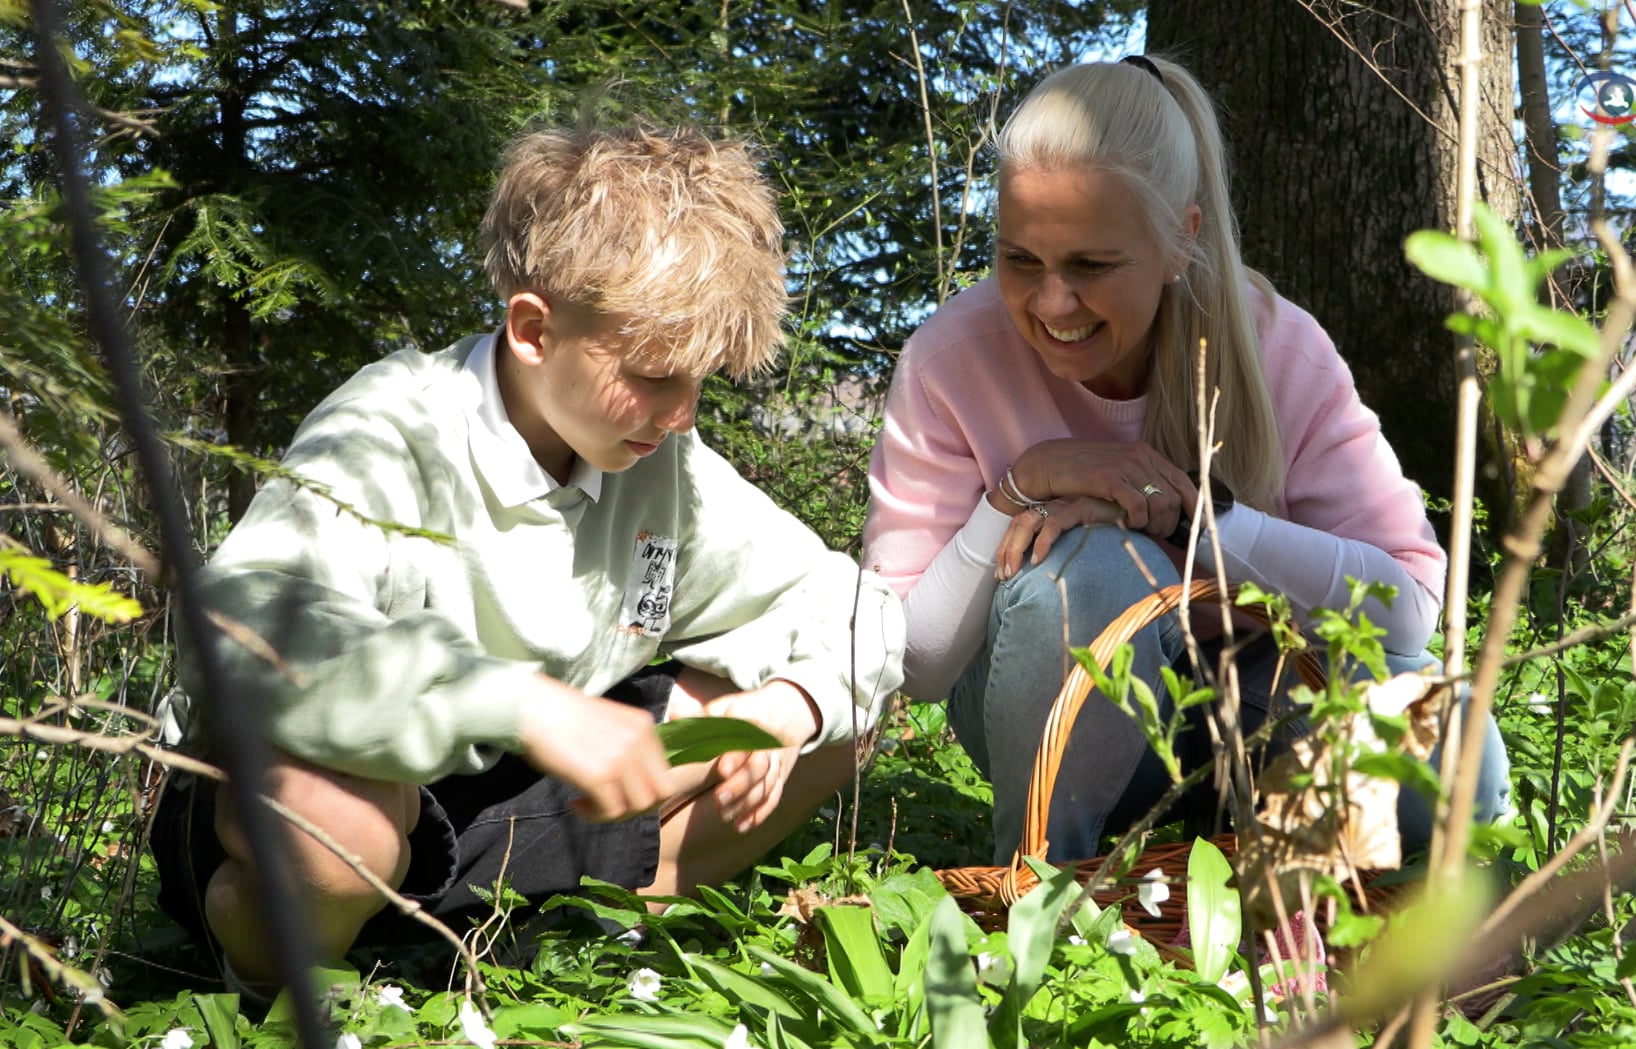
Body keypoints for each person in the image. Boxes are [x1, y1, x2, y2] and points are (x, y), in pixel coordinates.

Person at [151, 118, 904, 992]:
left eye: (700, 379)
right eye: (656, 372)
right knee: (338, 820)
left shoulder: (665, 466)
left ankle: (557, 943)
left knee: (833, 719)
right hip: (340, 795)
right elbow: (240, 631)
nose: (684, 411)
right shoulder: (392, 429)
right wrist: (520, 702)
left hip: (500, 801)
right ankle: (276, 979)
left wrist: (790, 707)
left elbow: (859, 615)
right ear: (534, 330)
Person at [862, 55, 1507, 867]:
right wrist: (1024, 486)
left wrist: (1198, 522)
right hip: (1060, 716)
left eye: (1092, 266)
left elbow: (1411, 611)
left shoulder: (1280, 348)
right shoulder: (951, 360)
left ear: (1181, 240)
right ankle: (1040, 886)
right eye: (1020, 260)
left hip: (1268, 716)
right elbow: (912, 664)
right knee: (1084, 569)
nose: (1051, 304)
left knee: (1461, 754)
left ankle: (1260, 860)